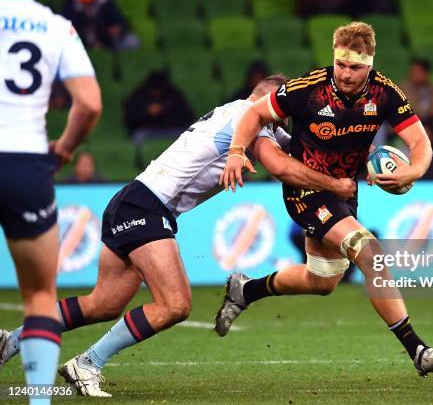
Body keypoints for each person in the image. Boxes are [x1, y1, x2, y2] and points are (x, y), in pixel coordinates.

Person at [0, 75, 356, 397]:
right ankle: (88, 363)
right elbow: (282, 166)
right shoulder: (249, 122)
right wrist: (337, 183)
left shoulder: (244, 115)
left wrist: (353, 149)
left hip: (131, 201)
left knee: (103, 304)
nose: (283, 122)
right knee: (175, 304)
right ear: (269, 103)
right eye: (283, 114)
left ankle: (10, 342)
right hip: (146, 208)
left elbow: (298, 150)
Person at [218, 22, 433, 377]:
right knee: (368, 249)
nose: (345, 73)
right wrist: (236, 150)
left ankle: (245, 290)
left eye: (355, 67)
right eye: (341, 64)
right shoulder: (308, 89)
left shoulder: (385, 93)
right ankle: (417, 348)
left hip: (344, 193)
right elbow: (254, 113)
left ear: (370, 64)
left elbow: (421, 144)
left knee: (323, 279)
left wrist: (412, 171)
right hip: (305, 189)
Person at [0, 0, 101, 404]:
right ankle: (37, 400)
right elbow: (90, 103)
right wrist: (65, 148)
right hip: (26, 163)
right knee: (40, 295)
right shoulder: (55, 26)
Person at [123, 70, 195, 166]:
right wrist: (146, 112)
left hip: (171, 129)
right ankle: (138, 166)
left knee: (187, 136)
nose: (157, 92)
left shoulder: (174, 94)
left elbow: (188, 115)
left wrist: (166, 109)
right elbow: (129, 119)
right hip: (146, 130)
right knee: (137, 137)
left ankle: (183, 166)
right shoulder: (139, 95)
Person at [62, 0, 138, 51]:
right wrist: (91, 43)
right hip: (81, 44)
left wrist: (118, 28)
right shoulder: (71, 6)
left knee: (131, 41)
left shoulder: (105, 2)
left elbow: (119, 21)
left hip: (107, 40)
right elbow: (68, 30)